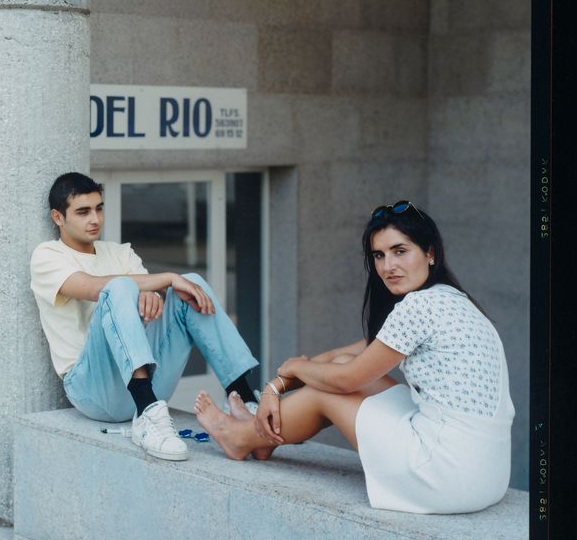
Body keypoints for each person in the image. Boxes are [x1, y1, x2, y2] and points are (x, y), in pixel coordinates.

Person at [191, 200, 514, 514]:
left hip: (446, 477)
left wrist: (291, 369)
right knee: (338, 367)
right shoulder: (452, 299)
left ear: (430, 253)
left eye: (400, 251)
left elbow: (346, 382)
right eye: (379, 255)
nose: (388, 266)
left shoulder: (420, 307)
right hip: (486, 474)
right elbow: (346, 356)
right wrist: (275, 386)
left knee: (328, 389)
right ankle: (264, 440)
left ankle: (238, 438)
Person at [30, 172, 261, 462]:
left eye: (99, 208)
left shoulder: (119, 253)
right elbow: (92, 287)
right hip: (93, 390)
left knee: (192, 283)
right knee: (119, 286)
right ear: (58, 217)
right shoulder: (47, 256)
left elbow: (152, 301)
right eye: (83, 212)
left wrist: (156, 291)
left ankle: (244, 402)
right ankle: (148, 415)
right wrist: (162, 279)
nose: (95, 219)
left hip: (150, 379)